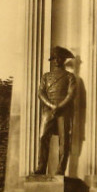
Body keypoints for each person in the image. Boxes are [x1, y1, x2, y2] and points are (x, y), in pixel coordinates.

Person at [34, 46, 77, 176]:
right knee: (42, 137)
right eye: (54, 58)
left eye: (59, 57)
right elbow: (40, 93)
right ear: (52, 60)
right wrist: (51, 105)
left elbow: (71, 94)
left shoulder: (70, 76)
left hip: (63, 110)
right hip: (49, 109)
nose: (57, 60)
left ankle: (60, 169)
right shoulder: (46, 76)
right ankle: (41, 167)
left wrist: (60, 106)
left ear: (64, 59)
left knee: (64, 140)